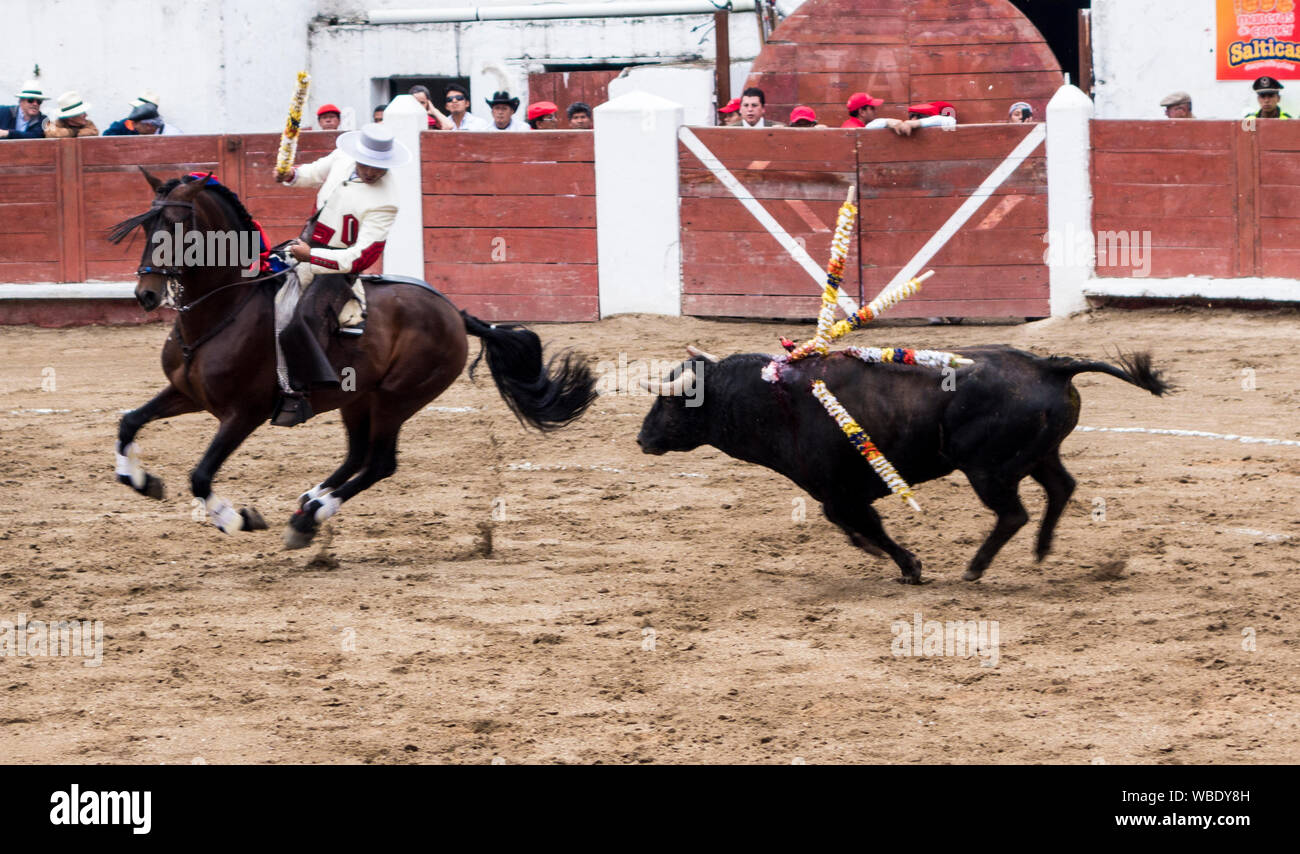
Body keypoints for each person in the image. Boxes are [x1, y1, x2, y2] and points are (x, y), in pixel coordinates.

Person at [271, 123, 410, 425]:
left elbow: (361, 257)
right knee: (258, 283)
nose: (371, 172)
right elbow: (313, 173)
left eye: (379, 167)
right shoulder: (343, 158)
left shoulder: (386, 201)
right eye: (367, 164)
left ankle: (300, 393)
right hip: (304, 245)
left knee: (306, 318)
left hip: (335, 267)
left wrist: (312, 257)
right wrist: (290, 175)